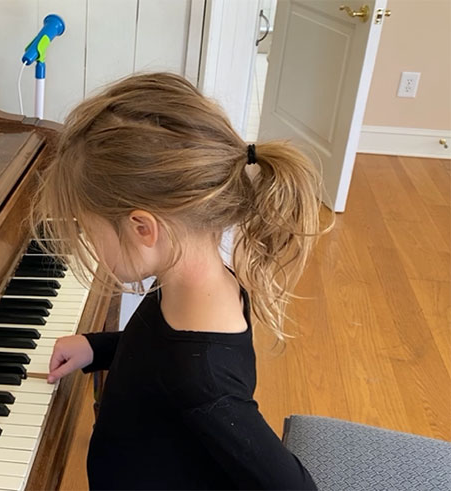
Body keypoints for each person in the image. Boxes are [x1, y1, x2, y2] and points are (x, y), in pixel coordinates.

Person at [33, 72, 324, 490]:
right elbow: (156, 352)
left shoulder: (204, 382)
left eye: (88, 229)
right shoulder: (192, 287)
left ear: (142, 228)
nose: (90, 246)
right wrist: (97, 348)